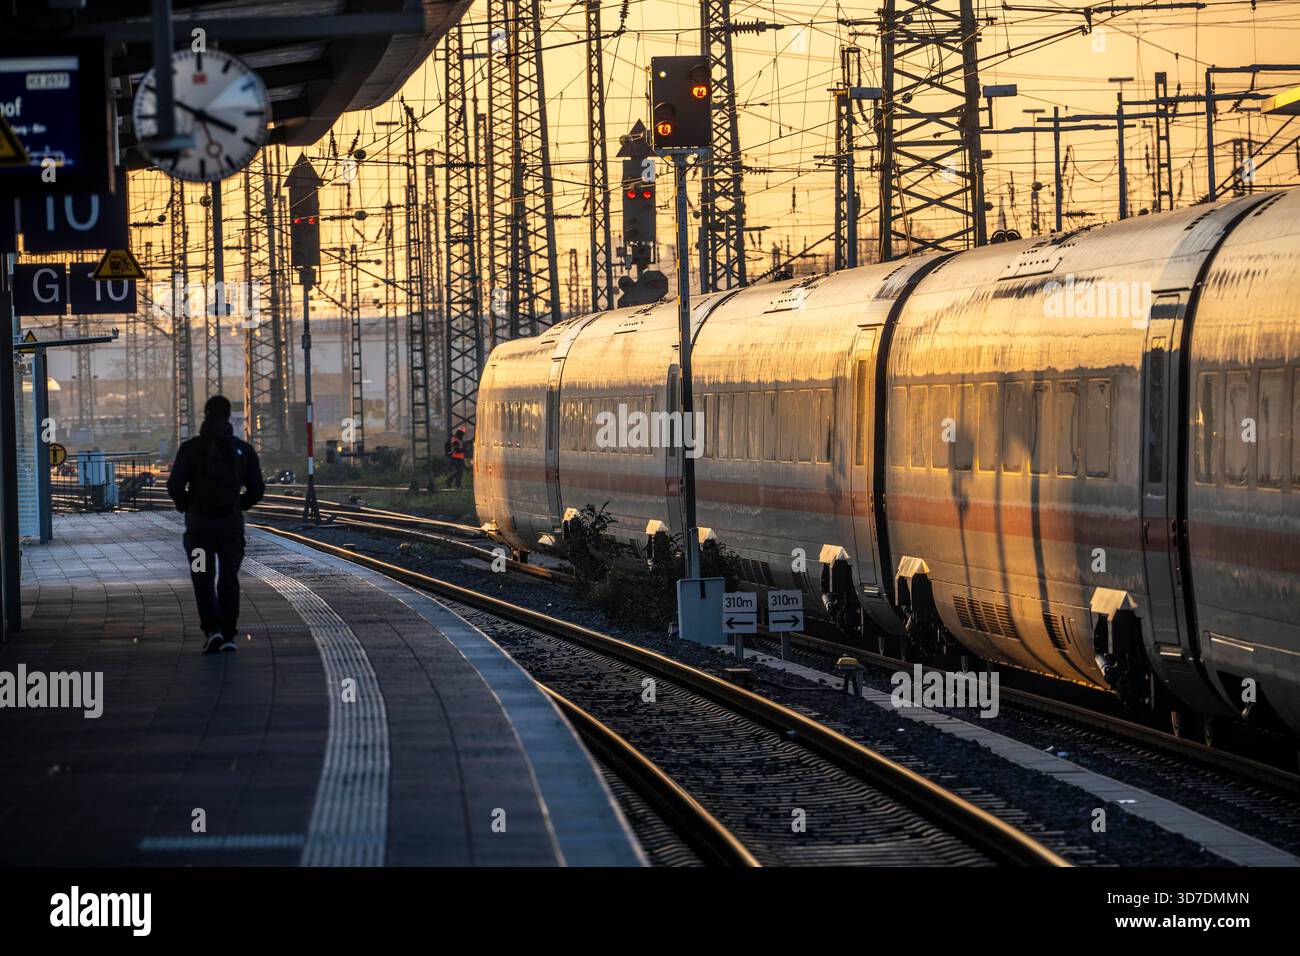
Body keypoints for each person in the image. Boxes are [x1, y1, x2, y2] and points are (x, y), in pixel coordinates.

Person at [166, 395, 266, 653]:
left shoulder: (191, 449)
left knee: (202, 577)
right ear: (228, 416)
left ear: (205, 415)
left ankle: (213, 631)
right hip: (231, 530)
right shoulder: (241, 449)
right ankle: (230, 634)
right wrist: (239, 505)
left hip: (199, 530)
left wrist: (187, 504)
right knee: (229, 578)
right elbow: (257, 488)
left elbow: (174, 485)